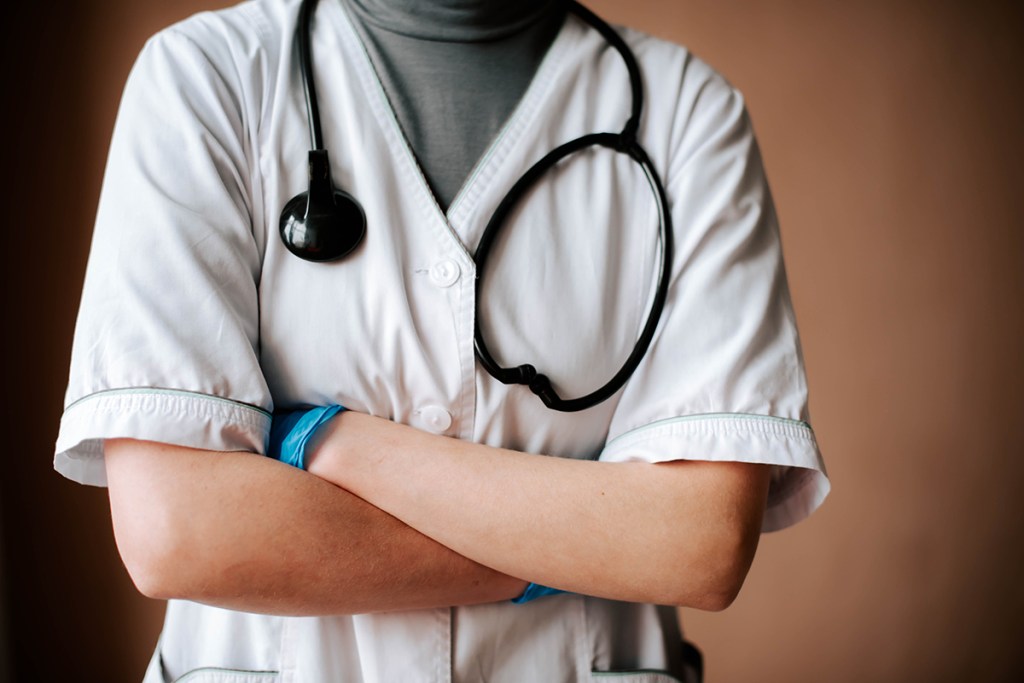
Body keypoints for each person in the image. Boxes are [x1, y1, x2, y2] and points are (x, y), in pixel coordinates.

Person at [55, 0, 829, 680]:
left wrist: (334, 442)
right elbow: (179, 534)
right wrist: (582, 543)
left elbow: (697, 544)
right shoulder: (206, 78)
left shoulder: (690, 113)